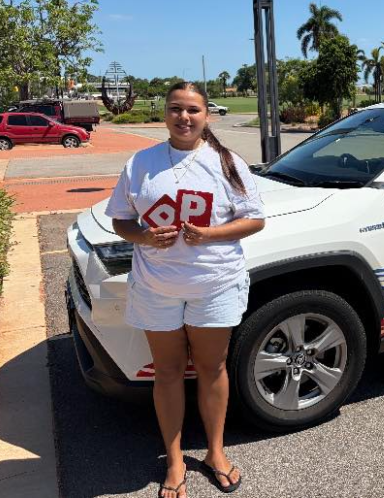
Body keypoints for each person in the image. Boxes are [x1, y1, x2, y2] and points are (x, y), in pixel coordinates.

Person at [105, 82, 265, 497]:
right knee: (168, 372)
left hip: (214, 284)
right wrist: (143, 238)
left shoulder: (227, 162)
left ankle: (215, 452)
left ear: (207, 115)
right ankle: (175, 460)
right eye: (176, 109)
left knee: (212, 369)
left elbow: (254, 220)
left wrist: (210, 234)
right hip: (157, 287)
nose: (184, 117)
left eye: (193, 110)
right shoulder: (140, 163)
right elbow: (120, 220)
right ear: (165, 114)